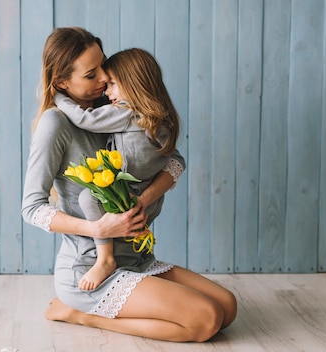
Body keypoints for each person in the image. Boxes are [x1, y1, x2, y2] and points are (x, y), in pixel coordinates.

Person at [21, 27, 237, 342]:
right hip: (90, 269)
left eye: (103, 67)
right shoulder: (57, 124)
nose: (103, 80)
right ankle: (82, 314)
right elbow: (32, 208)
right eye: (91, 74)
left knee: (227, 308)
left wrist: (145, 198)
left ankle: (103, 301)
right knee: (205, 321)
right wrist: (98, 229)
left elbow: (173, 160)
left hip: (136, 259)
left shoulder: (117, 108)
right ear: (62, 83)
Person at [53, 48, 186, 291]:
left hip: (129, 191)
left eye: (113, 83)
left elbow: (86, 119)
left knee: (87, 198)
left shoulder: (126, 111)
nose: (107, 90)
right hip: (150, 197)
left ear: (134, 84)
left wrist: (59, 97)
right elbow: (175, 159)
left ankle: (105, 259)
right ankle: (130, 263)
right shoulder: (158, 115)